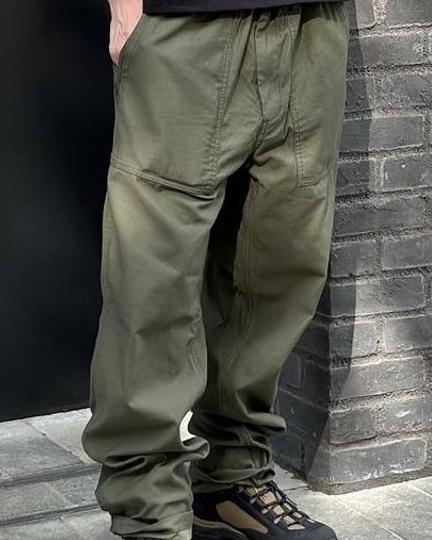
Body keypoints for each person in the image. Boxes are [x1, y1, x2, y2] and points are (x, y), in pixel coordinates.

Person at [81, 0, 350, 538]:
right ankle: (148, 512)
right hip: (184, 27)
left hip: (312, 22)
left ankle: (232, 478)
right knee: (152, 281)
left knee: (280, 268)